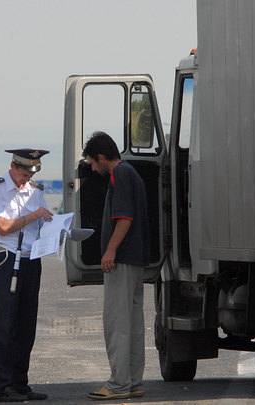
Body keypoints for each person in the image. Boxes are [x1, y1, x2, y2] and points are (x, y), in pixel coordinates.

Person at [82, 131, 150, 400]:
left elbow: (124, 218)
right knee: (133, 323)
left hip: (121, 260)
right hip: (135, 259)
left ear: (100, 157)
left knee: (117, 322)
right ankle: (132, 381)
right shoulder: (131, 172)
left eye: (92, 163)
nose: (92, 168)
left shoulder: (119, 175)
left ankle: (118, 384)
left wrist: (109, 250)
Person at [0, 148, 54, 402]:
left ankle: (20, 383)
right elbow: (2, 227)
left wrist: (56, 226)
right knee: (4, 325)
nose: (25, 180)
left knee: (26, 326)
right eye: (23, 174)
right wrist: (32, 215)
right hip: (6, 260)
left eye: (30, 175)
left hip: (31, 260)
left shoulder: (36, 190)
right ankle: (2, 386)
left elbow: (44, 219)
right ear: (12, 166)